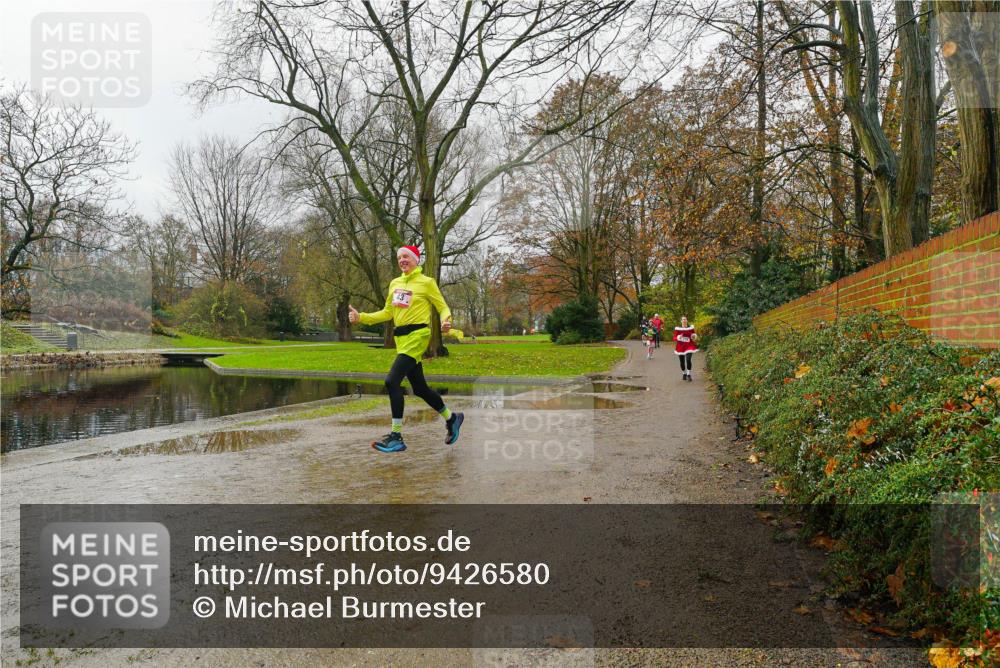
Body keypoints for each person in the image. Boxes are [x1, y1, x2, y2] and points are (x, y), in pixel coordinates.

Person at [348, 245, 463, 453]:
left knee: (392, 381)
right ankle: (452, 418)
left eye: (406, 256)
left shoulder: (427, 283)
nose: (402, 260)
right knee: (420, 388)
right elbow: (387, 313)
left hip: (418, 336)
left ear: (415, 260)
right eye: (399, 257)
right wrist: (361, 317)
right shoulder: (395, 283)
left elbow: (442, 306)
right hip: (401, 339)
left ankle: (396, 436)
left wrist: (446, 320)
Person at [673, 315, 699, 381]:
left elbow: (694, 336)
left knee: (688, 359)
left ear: (687, 321)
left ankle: (688, 374)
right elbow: (674, 337)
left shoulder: (690, 328)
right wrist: (679, 337)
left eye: (685, 319)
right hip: (681, 346)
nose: (684, 320)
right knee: (682, 362)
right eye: (683, 319)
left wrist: (694, 336)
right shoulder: (678, 329)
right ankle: (684, 373)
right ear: (681, 321)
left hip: (689, 346)